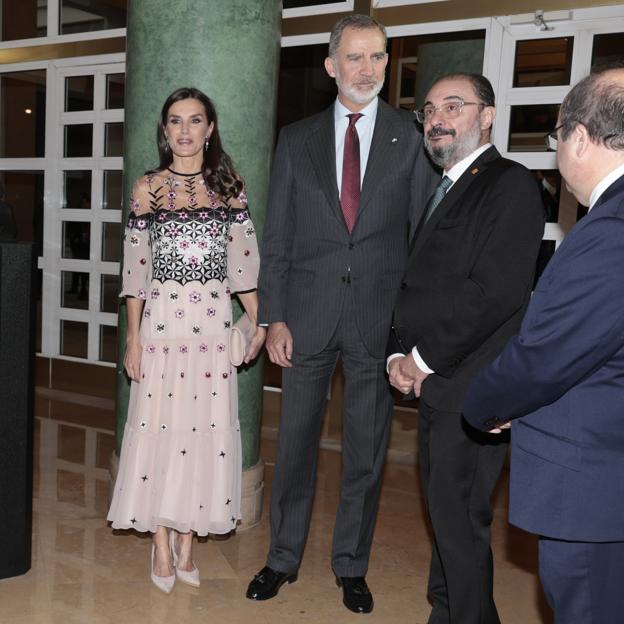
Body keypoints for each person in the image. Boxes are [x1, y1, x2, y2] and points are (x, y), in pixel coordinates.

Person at [246, 14, 436, 614]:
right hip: (303, 318)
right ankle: (281, 558)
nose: (368, 69)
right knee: (296, 443)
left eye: (378, 57)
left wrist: (407, 332)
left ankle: (351, 565)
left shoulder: (411, 136)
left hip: (376, 323)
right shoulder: (296, 139)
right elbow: (276, 237)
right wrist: (273, 315)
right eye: (355, 58)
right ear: (331, 66)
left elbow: (420, 240)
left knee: (365, 449)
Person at [463, 65, 624, 624]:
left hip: (594, 490)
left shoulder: (609, 233)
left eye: (557, 137)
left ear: (580, 137)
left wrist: (485, 405)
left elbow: (547, 357)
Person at [387, 73, 545, 624]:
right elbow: (421, 286)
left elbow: (493, 292)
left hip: (472, 388)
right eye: (428, 110)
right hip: (439, 385)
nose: (437, 119)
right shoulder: (445, 186)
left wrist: (421, 359)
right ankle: (447, 613)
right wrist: (396, 354)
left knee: (459, 524)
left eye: (453, 106)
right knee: (447, 521)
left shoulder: (511, 184)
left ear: (488, 116)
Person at [107, 87, 265, 593]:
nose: (184, 131)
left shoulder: (229, 185)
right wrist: (132, 337)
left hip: (212, 331)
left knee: (204, 435)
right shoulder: (148, 187)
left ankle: (189, 541)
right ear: (164, 129)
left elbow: (243, 264)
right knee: (159, 430)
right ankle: (159, 540)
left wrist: (260, 321)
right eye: (175, 121)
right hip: (162, 330)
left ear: (210, 129)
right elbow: (135, 269)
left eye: (195, 121)